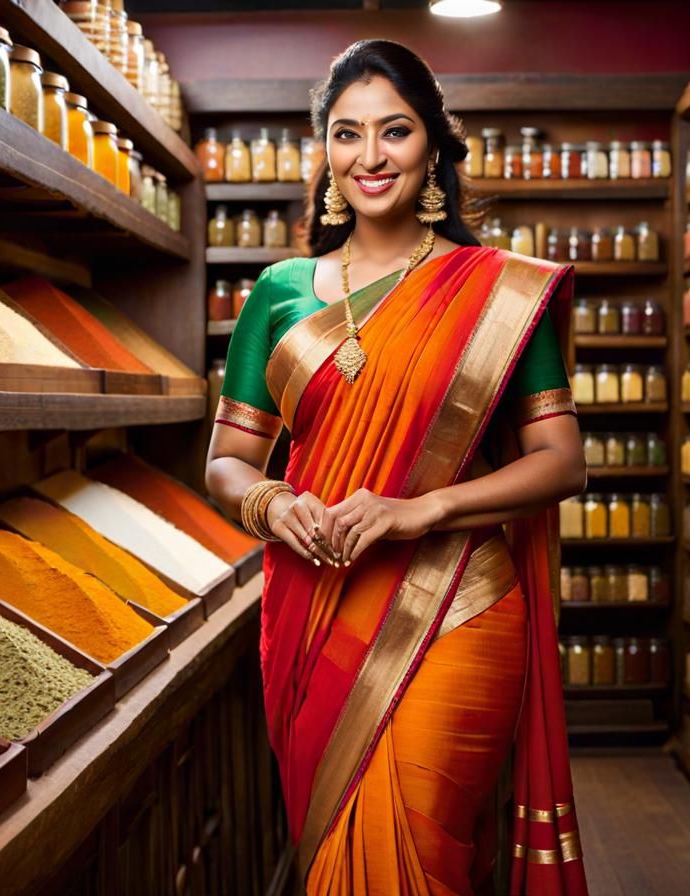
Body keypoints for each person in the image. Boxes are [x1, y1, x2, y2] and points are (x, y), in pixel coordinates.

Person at [205, 39, 589, 895]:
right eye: (347, 134)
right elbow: (227, 463)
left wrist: (421, 511)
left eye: (395, 131)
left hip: (456, 601)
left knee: (421, 854)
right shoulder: (279, 293)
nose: (370, 156)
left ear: (435, 150)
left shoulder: (496, 291)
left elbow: (562, 463)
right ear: (326, 152)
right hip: (311, 602)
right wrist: (270, 503)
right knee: (335, 847)